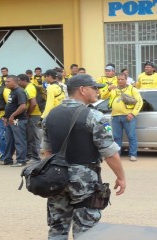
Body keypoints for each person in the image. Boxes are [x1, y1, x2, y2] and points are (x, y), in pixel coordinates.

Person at [42, 74, 126, 239]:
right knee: (86, 230)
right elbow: (109, 152)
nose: (97, 91)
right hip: (84, 181)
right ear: (82, 90)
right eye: (94, 88)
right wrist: (121, 177)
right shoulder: (94, 116)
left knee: (57, 227)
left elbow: (47, 152)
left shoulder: (51, 115)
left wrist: (51, 175)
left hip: (57, 179)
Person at [101, 73, 143, 161]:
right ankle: (117, 155)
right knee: (116, 137)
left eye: (122, 79)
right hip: (115, 116)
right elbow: (103, 96)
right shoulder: (113, 88)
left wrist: (133, 114)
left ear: (126, 79)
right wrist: (108, 89)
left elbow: (139, 102)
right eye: (118, 79)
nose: (120, 81)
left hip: (128, 116)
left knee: (131, 136)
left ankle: (133, 154)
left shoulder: (132, 89)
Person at [0, 75, 28, 167]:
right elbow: (11, 105)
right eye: (5, 81)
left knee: (19, 140)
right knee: (9, 140)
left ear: (15, 82)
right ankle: (7, 159)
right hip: (10, 120)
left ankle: (21, 160)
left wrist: (12, 115)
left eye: (8, 81)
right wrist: (6, 116)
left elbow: (23, 106)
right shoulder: (12, 91)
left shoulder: (19, 91)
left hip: (17, 120)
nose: (6, 83)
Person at [17, 74, 41, 163]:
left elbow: (33, 103)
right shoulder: (28, 88)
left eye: (18, 80)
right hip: (32, 114)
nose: (18, 82)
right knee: (30, 136)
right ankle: (30, 155)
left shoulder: (29, 88)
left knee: (33, 136)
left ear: (24, 81)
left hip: (34, 115)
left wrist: (28, 113)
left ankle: (36, 157)